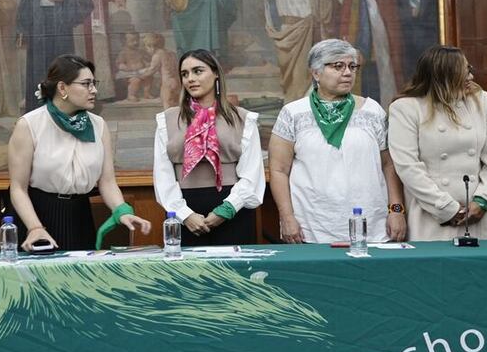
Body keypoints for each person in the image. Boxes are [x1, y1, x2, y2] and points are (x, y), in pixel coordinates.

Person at [269, 39, 407, 244]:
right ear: (316, 73)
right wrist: (287, 217)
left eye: (352, 66)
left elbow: (389, 165)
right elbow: (279, 170)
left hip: (371, 223)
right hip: (312, 226)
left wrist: (396, 210)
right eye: (338, 66)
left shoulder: (372, 110)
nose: (348, 72)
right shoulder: (294, 113)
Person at [8, 55, 151, 251]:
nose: (94, 90)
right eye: (86, 84)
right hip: (38, 216)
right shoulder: (29, 124)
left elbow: (107, 181)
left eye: (94, 83)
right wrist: (35, 227)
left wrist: (121, 210)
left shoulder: (98, 125)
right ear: (62, 88)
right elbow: (18, 188)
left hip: (81, 214)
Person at [388, 46, 487, 240]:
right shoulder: (406, 108)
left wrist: (483, 201)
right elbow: (408, 166)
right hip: (433, 214)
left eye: (470, 70)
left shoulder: (480, 100)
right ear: (443, 75)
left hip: (485, 214)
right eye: (464, 72)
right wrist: (447, 208)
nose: (471, 77)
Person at [153, 49, 265, 246]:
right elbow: (162, 175)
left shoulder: (243, 119)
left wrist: (226, 209)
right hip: (184, 211)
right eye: (185, 74)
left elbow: (252, 173)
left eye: (198, 71)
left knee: (234, 276)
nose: (190, 79)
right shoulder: (167, 120)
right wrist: (185, 215)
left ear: (215, 74)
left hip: (233, 210)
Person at [244, 0, 337, 103]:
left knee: (309, 72)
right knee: (291, 77)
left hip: (310, 33)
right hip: (289, 34)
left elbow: (328, 7)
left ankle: (309, 106)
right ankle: (293, 105)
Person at [17, 0, 94, 112]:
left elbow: (88, 4)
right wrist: (23, 33)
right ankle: (40, 108)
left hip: (61, 36)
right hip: (38, 38)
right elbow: (22, 14)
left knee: (62, 70)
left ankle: (64, 108)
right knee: (40, 71)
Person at [340, 0, 405, 104]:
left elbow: (368, 15)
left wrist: (362, 45)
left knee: (374, 72)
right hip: (367, 37)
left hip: (374, 37)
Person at [138, 33, 180, 107]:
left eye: (146, 47)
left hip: (167, 83)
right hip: (177, 81)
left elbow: (152, 70)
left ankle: (169, 118)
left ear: (151, 47)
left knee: (167, 104)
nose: (147, 50)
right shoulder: (171, 53)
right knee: (176, 104)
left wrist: (141, 76)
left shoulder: (157, 55)